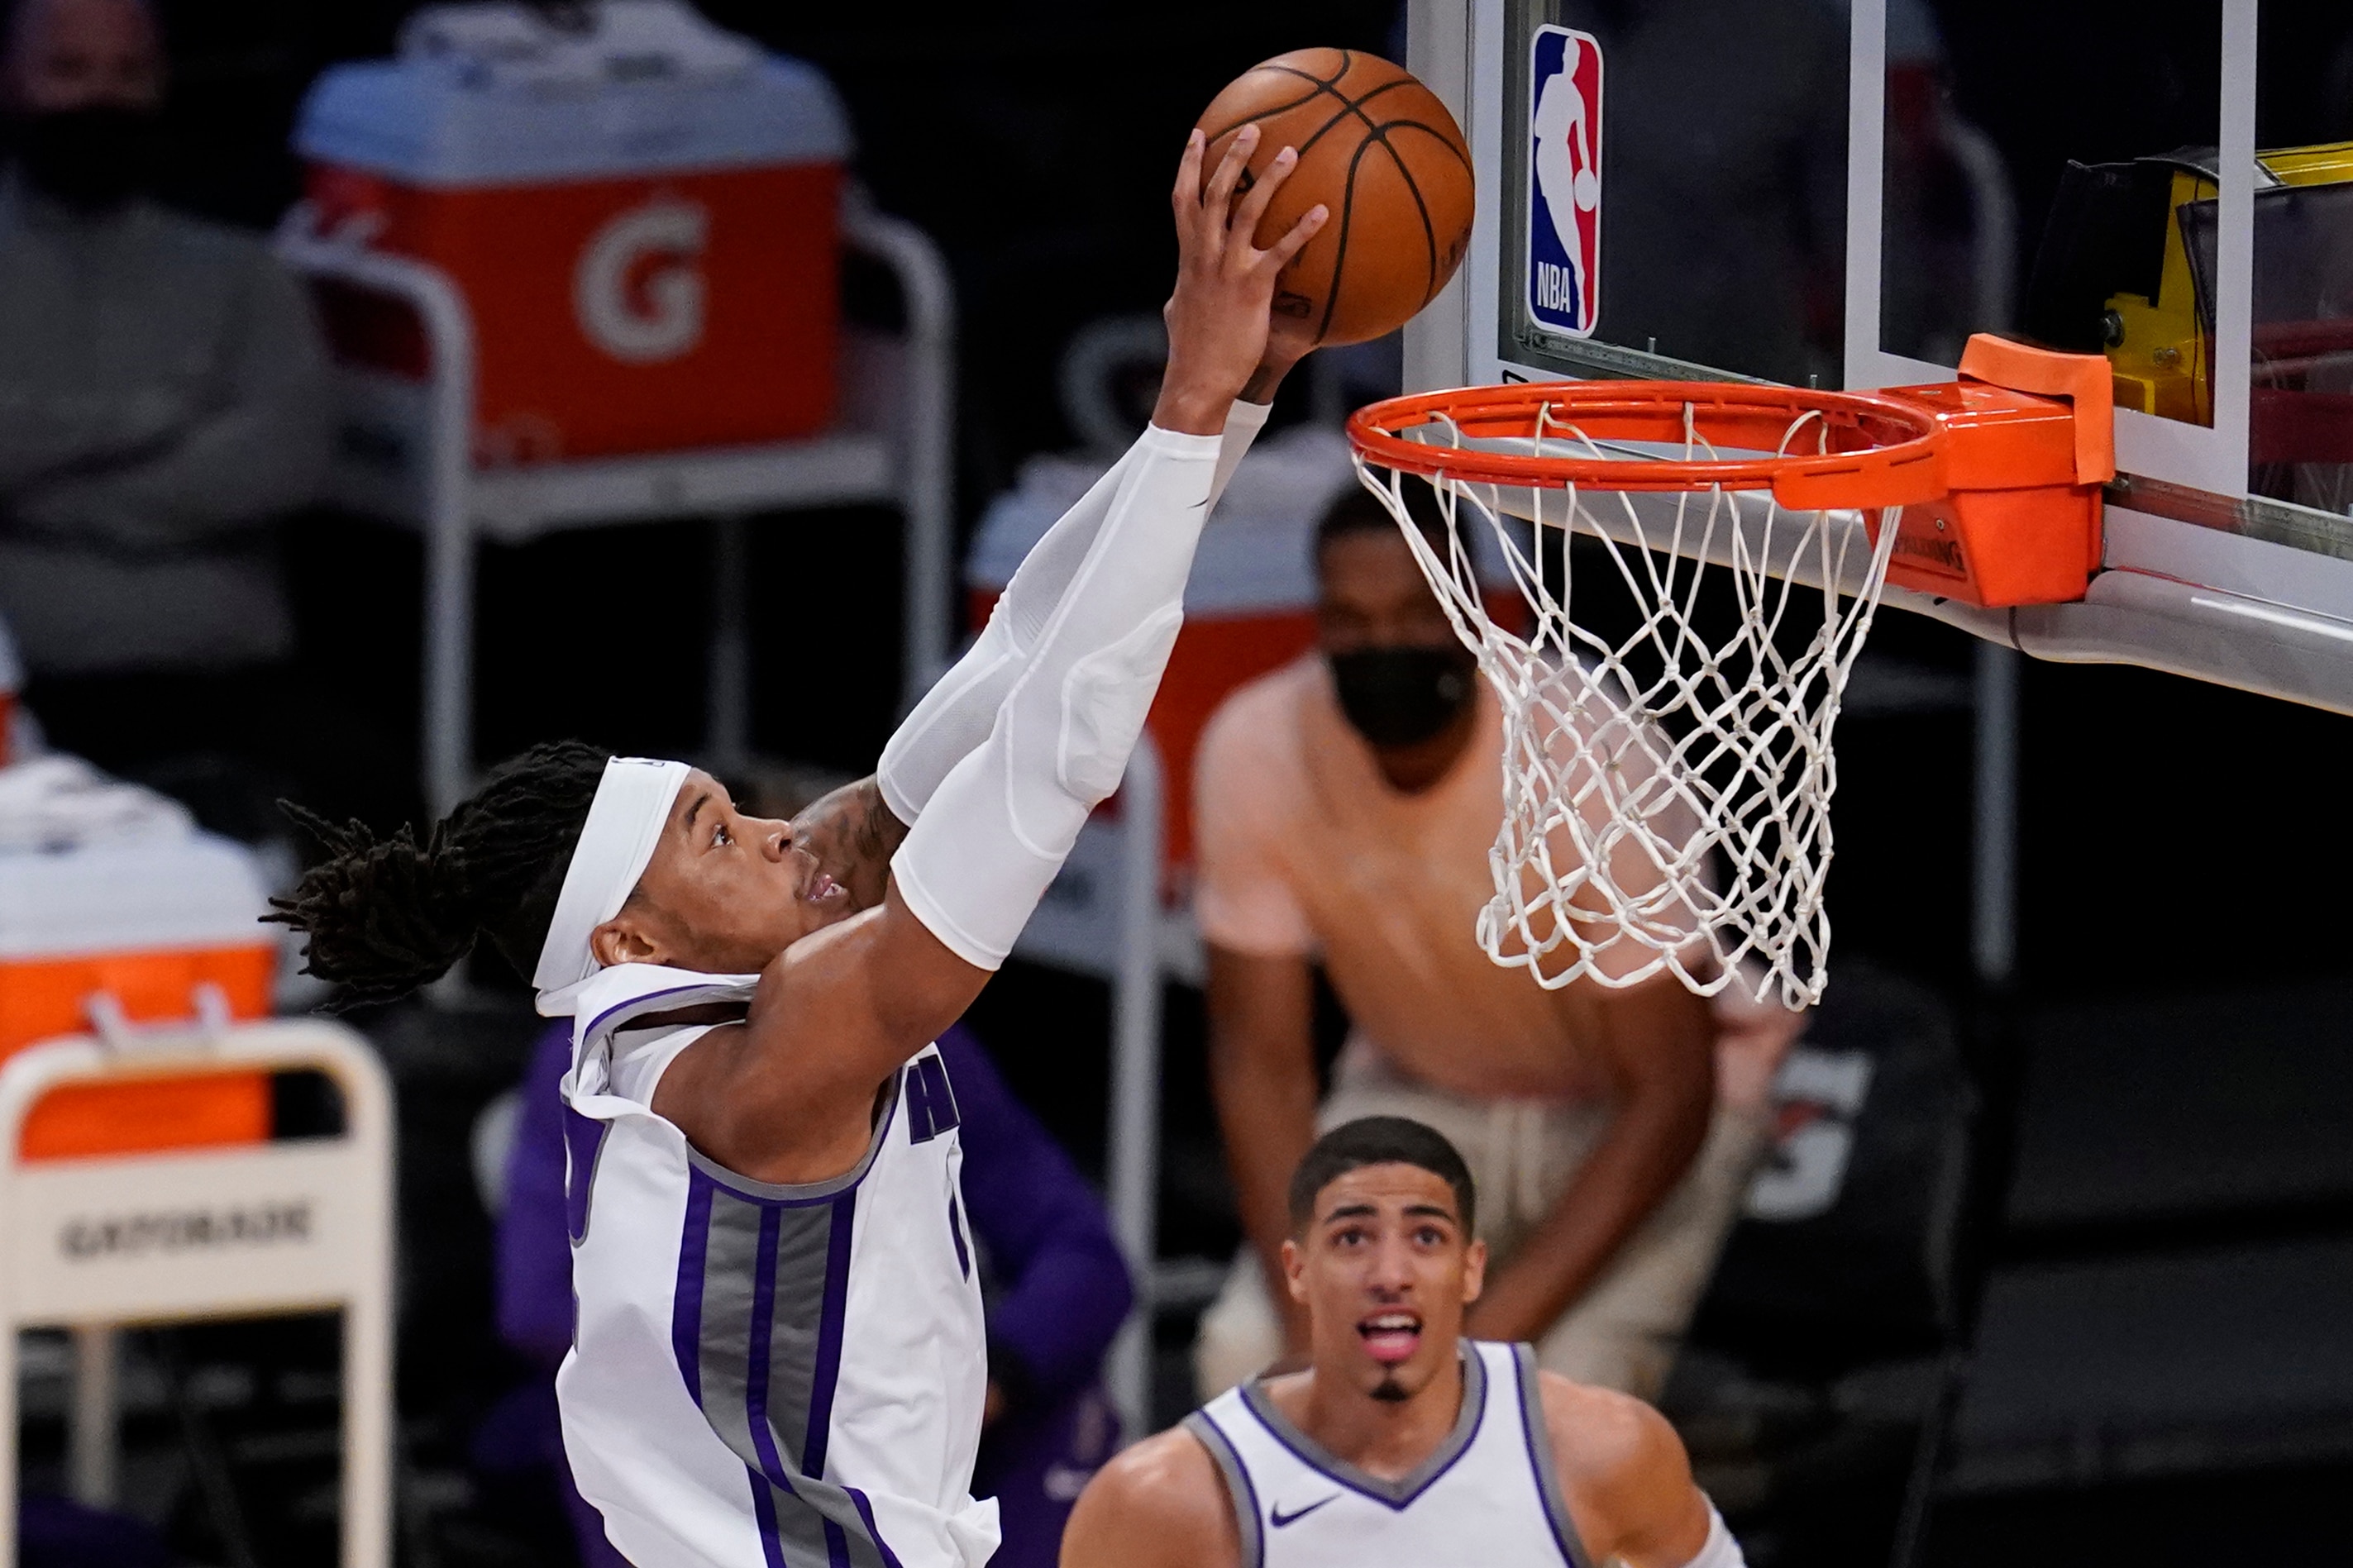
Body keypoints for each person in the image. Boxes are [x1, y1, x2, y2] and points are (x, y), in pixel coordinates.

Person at [270, 124, 1328, 1568]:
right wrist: (1197, 399)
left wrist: (1226, 412)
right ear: (634, 937)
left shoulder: (637, 1030)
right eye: (719, 833)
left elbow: (1013, 655)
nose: (775, 829)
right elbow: (1061, 754)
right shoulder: (786, 1051)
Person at [1191, 485, 1801, 1405]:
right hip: (1417, 1098)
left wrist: (1467, 1351)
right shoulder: (1254, 743)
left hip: (1624, 1116)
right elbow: (1258, 1067)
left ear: (1476, 613)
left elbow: (1668, 1096)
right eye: (1349, 621)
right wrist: (1312, 1325)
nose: (1381, 645)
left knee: (1547, 1413)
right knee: (1245, 1365)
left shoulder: (1585, 744)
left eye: (1412, 614)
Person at [494, 1018, 1134, 1568]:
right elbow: (540, 1306)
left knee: (1060, 1399)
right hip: (718, 1434)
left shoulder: (911, 1041)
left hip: (922, 1430)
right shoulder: (597, 1061)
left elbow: (1086, 1261)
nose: (802, 875)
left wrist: (981, 1385)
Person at [0, 0, 403, 836]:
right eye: (69, 71)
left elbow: (281, 459)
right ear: (13, 81)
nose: (100, 99)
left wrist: (37, 490)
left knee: (380, 813)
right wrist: (157, 420)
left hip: (225, 673)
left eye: (128, 73)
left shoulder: (245, 276)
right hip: (28, 685)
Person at [1062, 1117, 1744, 1568]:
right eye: (1353, 1238)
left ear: (1471, 1267)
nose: (1390, 1275)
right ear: (1297, 1271)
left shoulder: (1603, 1449)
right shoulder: (1162, 1500)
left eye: (1426, 1238)